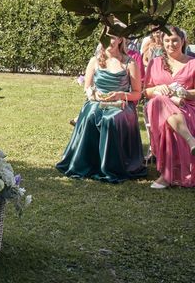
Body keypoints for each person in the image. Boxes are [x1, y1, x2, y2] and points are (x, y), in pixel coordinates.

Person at [56, 35, 147, 183]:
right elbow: (87, 87)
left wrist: (120, 94)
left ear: (120, 40)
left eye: (112, 38)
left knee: (110, 119)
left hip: (122, 104)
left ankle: (110, 167)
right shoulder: (95, 61)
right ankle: (87, 164)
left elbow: (137, 94)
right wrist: (94, 93)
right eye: (105, 38)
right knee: (91, 114)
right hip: (97, 102)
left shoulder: (130, 63)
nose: (108, 41)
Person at [144, 26, 195, 189]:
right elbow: (147, 91)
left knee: (168, 121)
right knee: (160, 101)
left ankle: (166, 175)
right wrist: (159, 90)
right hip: (158, 106)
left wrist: (183, 92)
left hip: (187, 107)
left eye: (175, 40)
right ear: (162, 42)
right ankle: (191, 141)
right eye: (167, 40)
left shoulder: (193, 63)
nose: (171, 44)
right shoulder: (155, 62)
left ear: (182, 41)